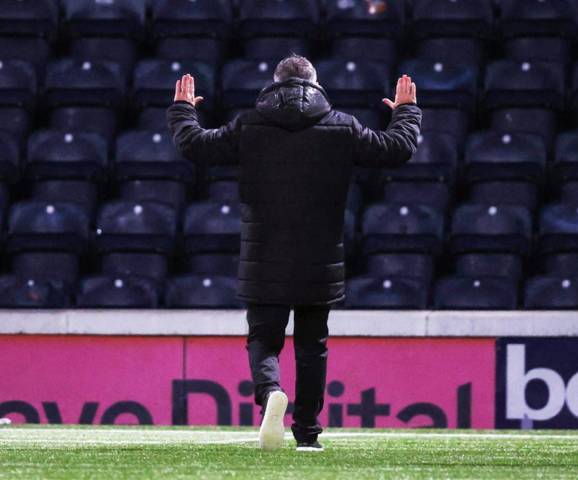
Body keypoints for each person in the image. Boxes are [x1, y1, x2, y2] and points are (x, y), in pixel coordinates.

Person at [167, 54, 422, 452]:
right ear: (316, 84)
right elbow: (398, 148)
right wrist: (406, 111)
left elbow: (194, 145)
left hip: (262, 256)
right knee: (311, 345)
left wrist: (183, 110)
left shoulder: (249, 125)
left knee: (263, 340)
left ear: (274, 84)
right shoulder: (342, 127)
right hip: (320, 259)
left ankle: (270, 392)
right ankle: (307, 434)